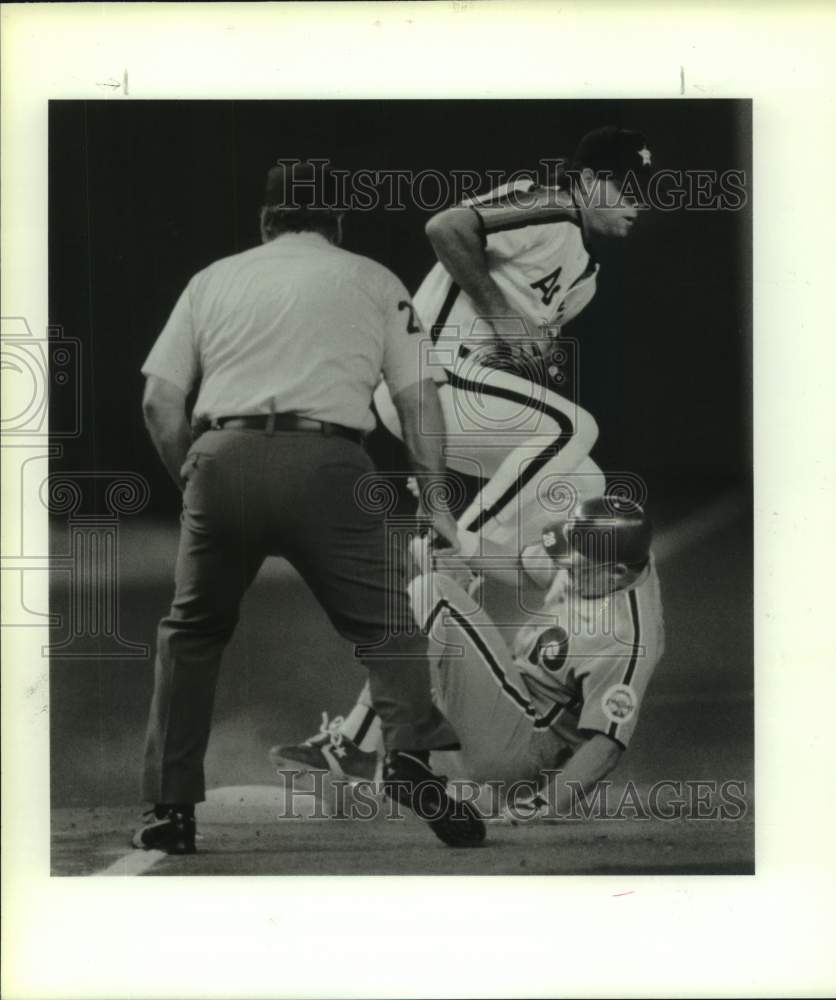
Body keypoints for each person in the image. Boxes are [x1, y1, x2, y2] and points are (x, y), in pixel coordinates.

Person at [133, 161, 485, 853]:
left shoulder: (213, 278)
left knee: (191, 636)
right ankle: (409, 759)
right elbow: (419, 401)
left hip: (222, 457)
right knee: (389, 628)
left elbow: (158, 401)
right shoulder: (375, 279)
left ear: (266, 220)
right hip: (328, 464)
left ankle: (169, 811)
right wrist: (437, 501)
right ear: (338, 222)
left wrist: (196, 482)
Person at [272, 495, 665, 819]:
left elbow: (606, 747)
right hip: (506, 711)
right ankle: (364, 771)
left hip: (522, 749)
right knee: (431, 595)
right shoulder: (602, 561)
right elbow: (522, 566)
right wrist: (457, 538)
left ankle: (357, 747)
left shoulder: (627, 637)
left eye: (574, 561)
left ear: (615, 574)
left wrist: (541, 807)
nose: (563, 563)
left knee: (434, 593)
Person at [371, 126, 654, 554]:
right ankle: (451, 542)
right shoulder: (550, 205)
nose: (639, 201)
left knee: (585, 483)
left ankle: (456, 569)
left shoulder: (586, 278)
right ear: (588, 180)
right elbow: (446, 227)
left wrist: (543, 352)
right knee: (575, 427)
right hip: (426, 375)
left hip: (463, 396)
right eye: (625, 187)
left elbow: (526, 351)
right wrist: (502, 315)